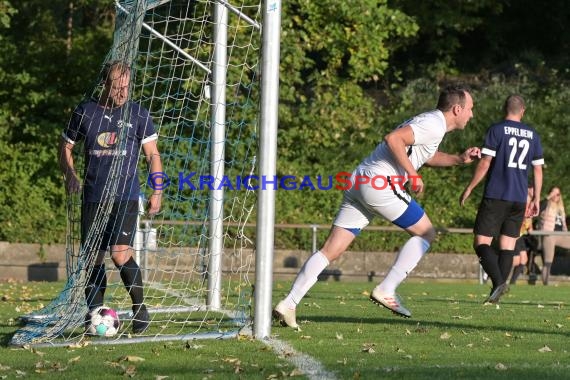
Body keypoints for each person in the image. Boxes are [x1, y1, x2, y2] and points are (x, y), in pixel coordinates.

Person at [273, 85, 480, 329]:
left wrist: (459, 159)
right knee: (427, 232)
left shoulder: (432, 125)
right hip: (379, 183)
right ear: (457, 109)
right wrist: (412, 175)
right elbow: (393, 139)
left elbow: (427, 155)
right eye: (470, 109)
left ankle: (288, 303)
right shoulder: (433, 123)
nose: (472, 114)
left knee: (331, 249)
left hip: (361, 180)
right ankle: (387, 289)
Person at [58, 61, 163, 333]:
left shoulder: (138, 114)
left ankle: (140, 310)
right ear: (105, 84)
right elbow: (65, 146)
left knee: (119, 254)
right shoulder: (85, 112)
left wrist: (157, 190)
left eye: (126, 87)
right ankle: (95, 314)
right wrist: (70, 174)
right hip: (93, 196)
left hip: (125, 197)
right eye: (117, 87)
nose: (122, 92)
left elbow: (153, 155)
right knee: (92, 256)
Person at [460, 94, 543, 304]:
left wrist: (470, 187)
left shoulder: (497, 130)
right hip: (519, 198)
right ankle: (496, 294)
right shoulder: (532, 134)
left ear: (504, 109)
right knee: (507, 245)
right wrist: (536, 200)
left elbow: (485, 162)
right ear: (522, 110)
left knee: (481, 242)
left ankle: (498, 282)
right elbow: (538, 170)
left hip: (497, 195)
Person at [539, 186, 570, 285]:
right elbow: (538, 208)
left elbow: (563, 223)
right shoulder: (546, 204)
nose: (556, 196)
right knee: (548, 260)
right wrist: (549, 197)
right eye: (554, 193)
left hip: (561, 234)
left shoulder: (561, 207)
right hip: (550, 234)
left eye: (558, 194)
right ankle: (545, 282)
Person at [509, 186, 537, 284]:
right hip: (513, 234)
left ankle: (512, 283)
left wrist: (530, 227)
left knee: (523, 260)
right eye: (531, 188)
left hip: (520, 236)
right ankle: (497, 278)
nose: (534, 190)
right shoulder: (520, 200)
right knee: (515, 261)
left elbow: (529, 223)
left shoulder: (532, 204)